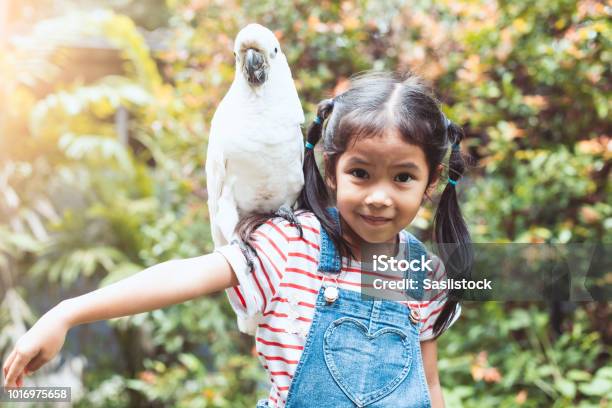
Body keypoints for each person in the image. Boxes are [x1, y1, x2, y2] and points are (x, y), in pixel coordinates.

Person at [2, 71, 471, 408]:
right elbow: (186, 274)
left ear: (430, 182)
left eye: (403, 177)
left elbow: (427, 384)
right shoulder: (291, 246)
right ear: (332, 172)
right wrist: (67, 313)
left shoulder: (424, 275)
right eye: (361, 173)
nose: (378, 197)